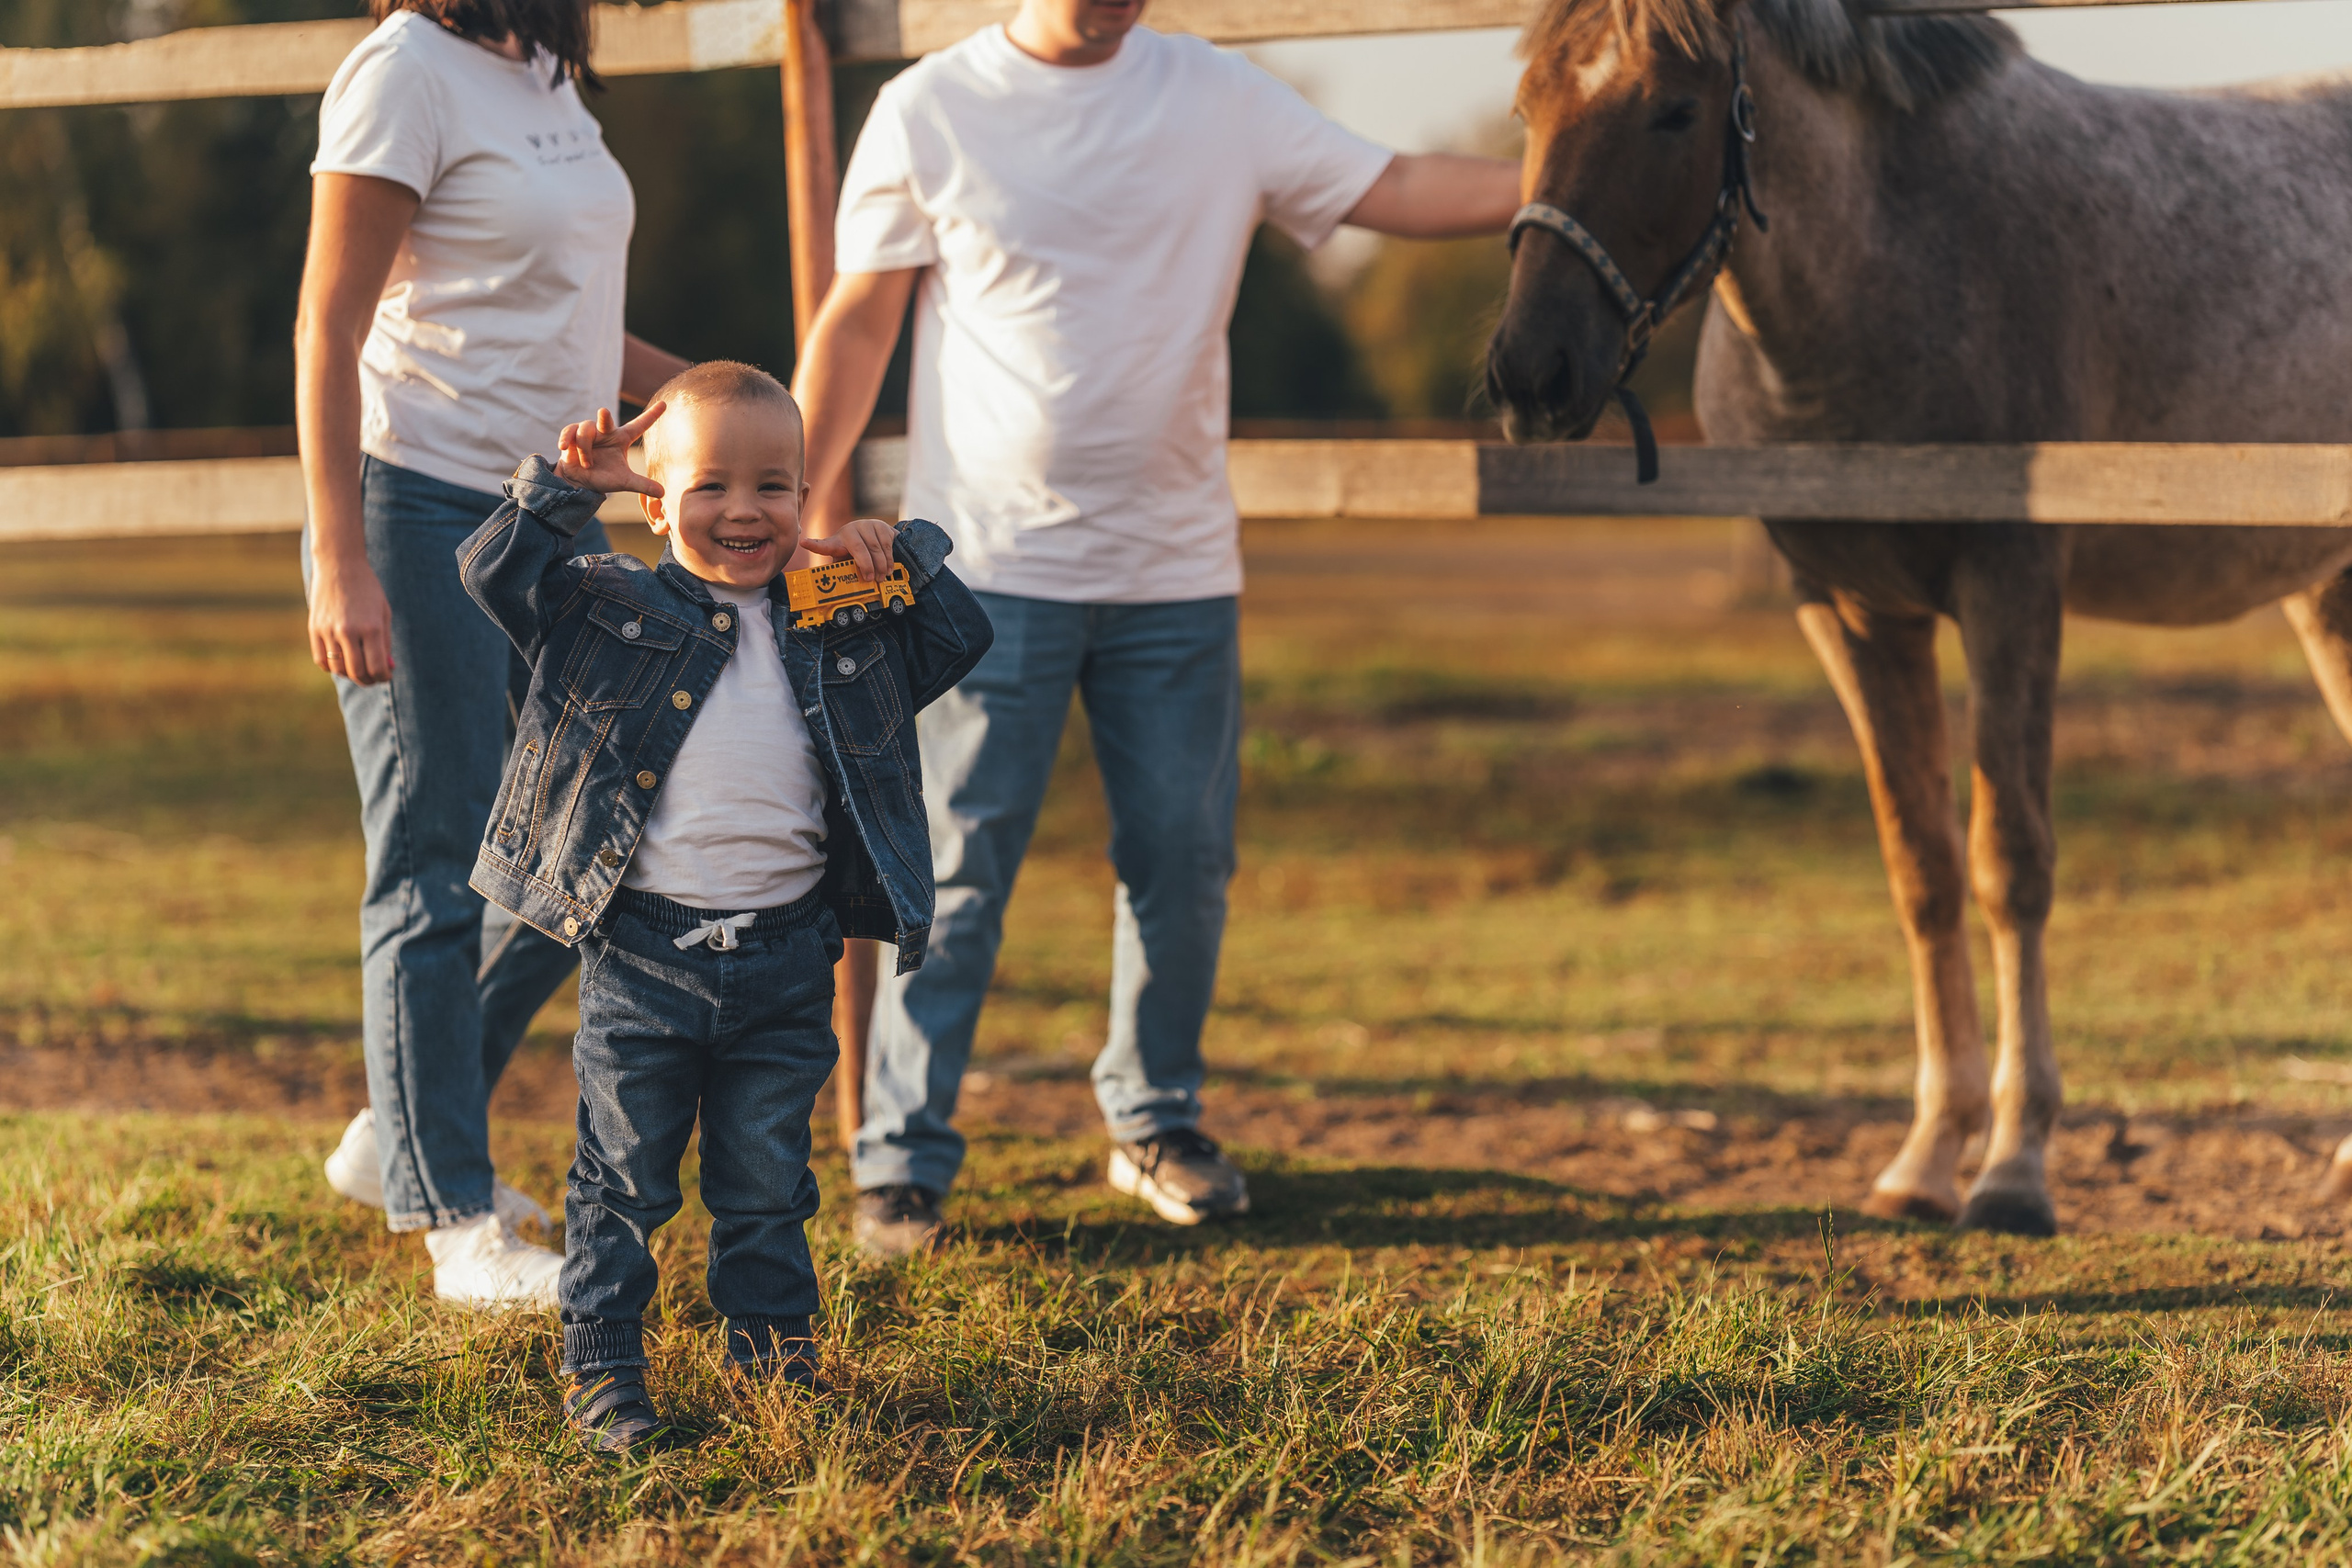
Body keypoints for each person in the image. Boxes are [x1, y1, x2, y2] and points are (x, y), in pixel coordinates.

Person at [791, 0, 1523, 1254]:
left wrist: (1577, 180)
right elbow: (862, 316)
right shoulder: (932, 107)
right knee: (954, 867)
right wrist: (807, 499)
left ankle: (1157, 1120)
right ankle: (900, 1159)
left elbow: (1393, 183)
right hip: (985, 568)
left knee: (1181, 861)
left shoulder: (1218, 99)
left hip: (1177, 569)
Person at [461, 365, 991, 1453]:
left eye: (774, 487)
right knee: (624, 1179)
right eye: (708, 485)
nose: (743, 510)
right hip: (642, 956)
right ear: (655, 501)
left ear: (805, 498)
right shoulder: (606, 603)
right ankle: (603, 1364)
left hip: (788, 959)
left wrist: (896, 550)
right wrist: (570, 488)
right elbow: (495, 576)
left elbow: (960, 638)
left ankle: (773, 1355)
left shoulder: (838, 622)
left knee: (766, 1175)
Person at [295, 0, 690, 1305]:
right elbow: (327, 322)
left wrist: (702, 404)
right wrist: (335, 552)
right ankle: (452, 1211)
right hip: (422, 504)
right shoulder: (404, 69)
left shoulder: (544, 74)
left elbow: (569, 316)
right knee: (433, 854)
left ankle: (405, 1119)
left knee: (598, 830)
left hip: (552, 510)